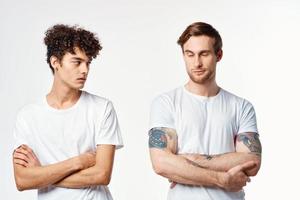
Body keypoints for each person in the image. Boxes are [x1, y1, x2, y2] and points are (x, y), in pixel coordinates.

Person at [148, 22, 262, 200]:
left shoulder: (241, 107)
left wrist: (186, 161)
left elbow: (252, 162)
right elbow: (161, 163)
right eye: (190, 54)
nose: (197, 63)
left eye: (204, 54)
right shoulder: (166, 103)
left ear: (219, 55)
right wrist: (221, 179)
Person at [12, 24, 123, 200]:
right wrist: (78, 162)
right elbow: (22, 180)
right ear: (55, 62)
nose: (85, 70)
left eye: (88, 63)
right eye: (77, 62)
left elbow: (101, 175)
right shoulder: (28, 116)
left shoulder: (102, 108)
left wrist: (42, 175)